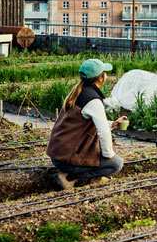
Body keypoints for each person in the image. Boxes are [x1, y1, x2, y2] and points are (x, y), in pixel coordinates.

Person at [46, 58, 128, 190]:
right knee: (115, 164)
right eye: (105, 73)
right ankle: (69, 178)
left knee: (101, 155)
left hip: (58, 155)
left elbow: (85, 123)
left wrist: (112, 124)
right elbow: (103, 133)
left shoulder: (79, 92)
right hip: (67, 159)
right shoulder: (93, 100)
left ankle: (93, 176)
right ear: (101, 78)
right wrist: (108, 155)